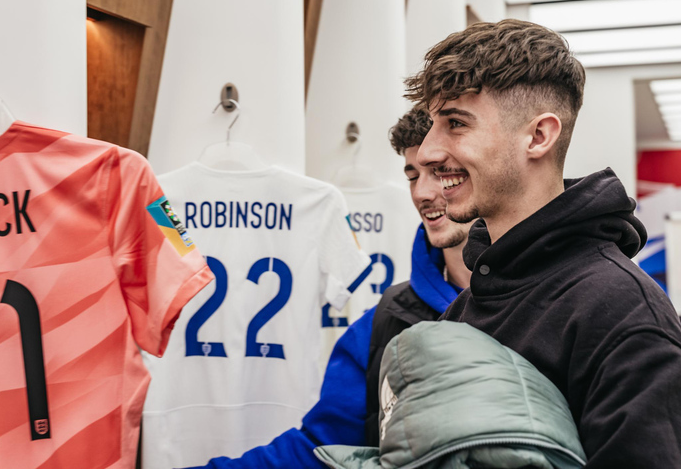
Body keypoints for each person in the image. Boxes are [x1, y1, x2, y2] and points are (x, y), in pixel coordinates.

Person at [407, 19, 681, 468]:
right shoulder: (468, 306)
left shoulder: (621, 312)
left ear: (538, 136)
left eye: (455, 123)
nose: (427, 151)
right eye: (433, 125)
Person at [187, 106, 472, 469]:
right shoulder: (384, 323)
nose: (421, 193)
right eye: (413, 176)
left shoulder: (555, 299)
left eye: (441, 172)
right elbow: (319, 450)